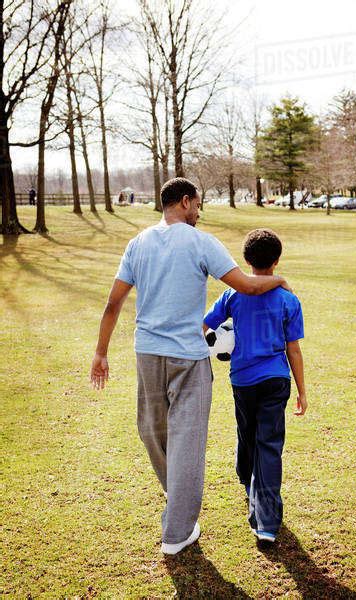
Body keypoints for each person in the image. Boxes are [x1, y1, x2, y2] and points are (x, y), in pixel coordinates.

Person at [90, 179, 291, 555]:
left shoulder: (137, 243)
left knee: (153, 431)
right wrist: (279, 279)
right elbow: (247, 286)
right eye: (197, 204)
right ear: (185, 202)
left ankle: (178, 509)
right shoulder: (201, 242)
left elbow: (113, 303)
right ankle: (179, 531)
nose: (199, 211)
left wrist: (101, 352)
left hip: (147, 355)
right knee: (184, 439)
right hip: (187, 358)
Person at [203, 228, 307, 543]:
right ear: (277, 260)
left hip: (243, 382)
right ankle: (265, 520)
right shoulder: (289, 299)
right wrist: (302, 390)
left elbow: (205, 324)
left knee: (250, 439)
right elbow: (294, 350)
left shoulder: (232, 296)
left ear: (246, 261)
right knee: (268, 446)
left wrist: (218, 339)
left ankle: (261, 509)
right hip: (276, 380)